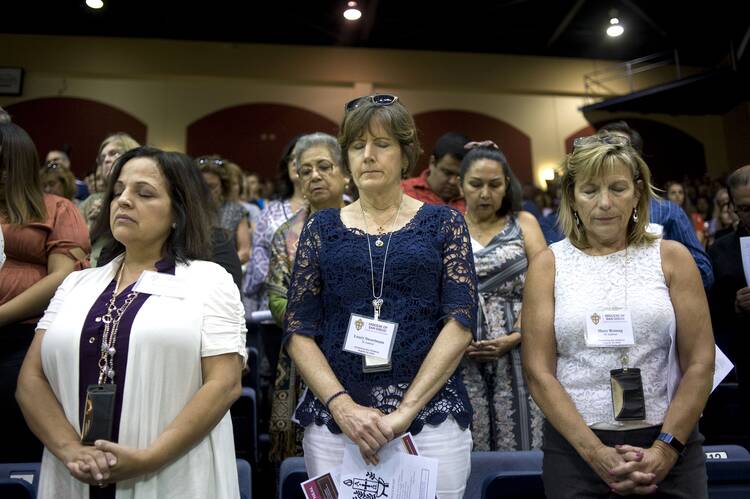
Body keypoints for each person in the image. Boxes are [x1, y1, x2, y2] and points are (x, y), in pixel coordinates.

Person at [16, 147, 246, 498]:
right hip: (74, 474)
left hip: (170, 472)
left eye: (144, 193)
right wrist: (70, 449)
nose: (123, 200)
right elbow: (31, 379)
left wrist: (148, 458)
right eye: (118, 190)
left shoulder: (208, 280)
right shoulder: (77, 283)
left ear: (177, 213)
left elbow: (224, 384)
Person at [284, 94, 478, 499]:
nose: (368, 156)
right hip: (337, 424)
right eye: (357, 146)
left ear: (406, 155)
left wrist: (405, 413)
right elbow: (299, 330)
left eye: (382, 144)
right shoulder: (321, 227)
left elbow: (460, 323)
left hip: (431, 418)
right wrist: (343, 408)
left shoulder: (444, 223)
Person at [522, 133, 715, 498]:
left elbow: (701, 361)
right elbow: (538, 372)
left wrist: (664, 449)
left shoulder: (672, 257)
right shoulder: (548, 265)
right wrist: (595, 453)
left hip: (671, 441)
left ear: (638, 193)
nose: (605, 203)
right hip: (577, 449)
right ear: (572, 198)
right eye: (590, 190)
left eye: (618, 188)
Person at [0, 123, 90, 463]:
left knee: (14, 428)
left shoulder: (56, 208)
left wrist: (2, 315)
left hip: (26, 336)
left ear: (19, 164)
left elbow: (61, 277)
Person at [457, 141, 547, 452]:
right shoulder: (448, 227)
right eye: (476, 184)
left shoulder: (523, 223)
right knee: (470, 444)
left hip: (519, 352)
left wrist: (517, 334)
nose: (485, 194)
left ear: (506, 184)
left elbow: (545, 283)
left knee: (521, 439)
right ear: (460, 185)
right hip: (461, 357)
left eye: (494, 185)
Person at [266, 132, 349, 462]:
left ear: (345, 173)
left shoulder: (370, 226)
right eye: (306, 170)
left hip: (359, 350)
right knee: (304, 459)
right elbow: (276, 299)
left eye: (324, 167)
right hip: (302, 355)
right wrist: (322, 324)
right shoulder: (287, 235)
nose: (314, 176)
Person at [598, 121, 714, 288]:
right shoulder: (587, 212)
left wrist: (654, 284)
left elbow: (704, 272)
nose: (609, 156)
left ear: (636, 160)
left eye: (618, 149)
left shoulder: (667, 212)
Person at [708, 165, 750, 445]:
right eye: (745, 208)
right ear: (733, 208)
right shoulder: (721, 251)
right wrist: (735, 306)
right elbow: (710, 315)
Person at [243, 136, 306, 315]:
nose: (296, 162)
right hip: (273, 306)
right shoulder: (271, 211)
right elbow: (259, 254)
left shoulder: (336, 207)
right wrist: (283, 283)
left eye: (302, 156)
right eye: (291, 158)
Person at [79, 133, 141, 231]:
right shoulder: (91, 201)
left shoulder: (142, 199)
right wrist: (94, 224)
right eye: (102, 157)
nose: (106, 160)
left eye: (114, 153)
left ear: (131, 156)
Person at [197, 155, 251, 265]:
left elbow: (244, 252)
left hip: (226, 273)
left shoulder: (236, 210)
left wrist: (219, 268)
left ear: (223, 187)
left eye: (212, 186)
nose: (206, 192)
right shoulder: (188, 210)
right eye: (201, 186)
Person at [401, 131, 468, 212]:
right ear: (432, 162)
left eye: (460, 176)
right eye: (447, 173)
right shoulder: (403, 192)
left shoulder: (472, 199)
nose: (453, 181)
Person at [666, 181, 707, 245]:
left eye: (680, 192)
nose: (677, 195)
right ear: (667, 196)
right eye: (673, 193)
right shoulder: (662, 218)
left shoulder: (696, 217)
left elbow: (698, 242)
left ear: (684, 196)